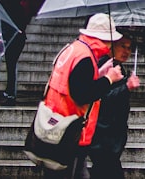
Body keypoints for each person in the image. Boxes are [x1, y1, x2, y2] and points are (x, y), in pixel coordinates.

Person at [41, 13, 125, 178]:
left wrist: (99, 74)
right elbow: (83, 94)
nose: (111, 45)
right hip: (70, 130)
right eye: (110, 40)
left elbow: (74, 83)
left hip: (59, 124)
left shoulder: (74, 49)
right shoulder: (86, 58)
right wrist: (109, 79)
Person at [87, 36, 141, 179]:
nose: (126, 51)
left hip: (111, 136)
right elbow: (102, 98)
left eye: (129, 48)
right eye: (122, 46)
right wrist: (127, 87)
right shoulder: (106, 66)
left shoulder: (118, 66)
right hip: (103, 136)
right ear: (111, 46)